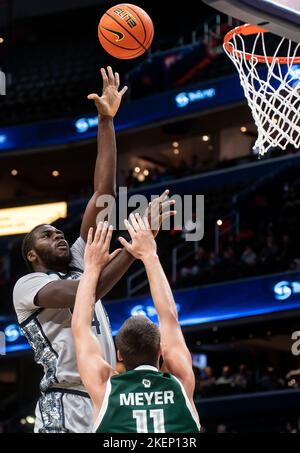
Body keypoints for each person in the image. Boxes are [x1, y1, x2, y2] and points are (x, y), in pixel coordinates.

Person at [13, 67, 174, 433]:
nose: (59, 237)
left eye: (59, 232)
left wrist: (106, 120)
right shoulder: (29, 286)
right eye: (46, 235)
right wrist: (134, 248)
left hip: (104, 397)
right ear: (31, 255)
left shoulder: (80, 260)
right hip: (64, 399)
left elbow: (104, 194)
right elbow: (88, 290)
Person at [72, 215, 201, 433]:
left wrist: (92, 267)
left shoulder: (105, 387)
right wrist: (150, 255)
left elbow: (80, 327)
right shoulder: (180, 381)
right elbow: (169, 318)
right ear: (161, 350)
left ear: (119, 355)